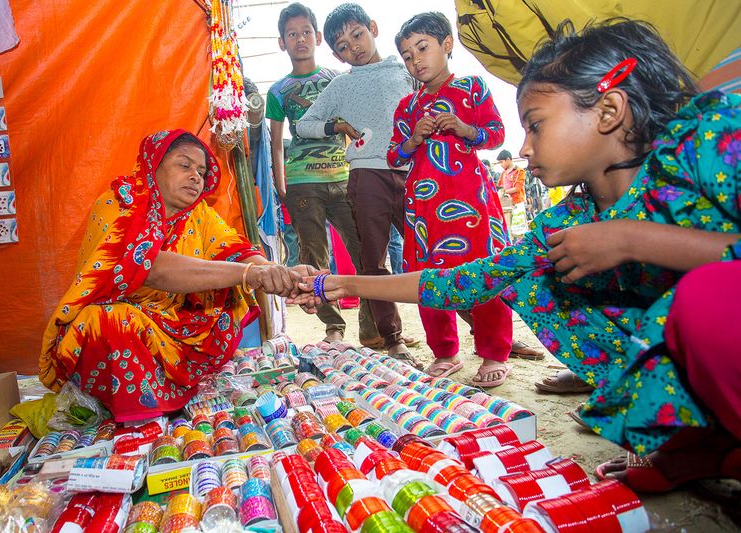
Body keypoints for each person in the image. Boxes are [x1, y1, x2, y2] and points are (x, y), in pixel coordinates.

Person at [293, 19, 741, 492]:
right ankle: (699, 439)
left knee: (704, 298)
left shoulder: (705, 146)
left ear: (608, 110)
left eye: (536, 125)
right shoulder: (567, 221)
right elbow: (460, 281)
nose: (523, 146)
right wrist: (341, 283)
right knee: (534, 277)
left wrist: (633, 240)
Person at [39, 130, 309, 421]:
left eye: (201, 171)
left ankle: (176, 391)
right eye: (184, 165)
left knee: (230, 292)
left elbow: (237, 250)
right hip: (121, 323)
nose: (195, 176)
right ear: (154, 166)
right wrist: (251, 273)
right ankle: (139, 415)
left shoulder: (199, 213)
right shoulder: (119, 203)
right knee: (111, 321)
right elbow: (150, 269)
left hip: (172, 324)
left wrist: (281, 275)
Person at [385, 11, 518, 387]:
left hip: (473, 203)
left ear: (447, 44)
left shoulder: (473, 88)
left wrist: (465, 128)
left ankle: (495, 353)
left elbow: (495, 134)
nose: (416, 60)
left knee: (486, 273)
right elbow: (394, 156)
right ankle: (445, 351)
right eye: (408, 56)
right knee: (426, 278)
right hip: (423, 210)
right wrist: (413, 140)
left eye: (422, 48)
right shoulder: (406, 108)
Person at [295, 3, 419, 365]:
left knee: (430, 255)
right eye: (343, 46)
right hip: (366, 177)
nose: (354, 48)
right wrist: (336, 127)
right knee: (372, 262)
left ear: (373, 28)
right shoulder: (341, 85)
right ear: (335, 53)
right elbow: (304, 124)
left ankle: (475, 329)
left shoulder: (405, 69)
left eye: (357, 35)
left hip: (414, 173)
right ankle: (392, 338)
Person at [266, 2, 379, 347]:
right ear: (282, 42)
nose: (300, 39)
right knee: (314, 259)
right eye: (291, 34)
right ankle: (333, 327)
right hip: (302, 183)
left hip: (343, 177)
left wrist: (357, 168)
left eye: (305, 33)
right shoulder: (278, 91)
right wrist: (281, 185)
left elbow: (353, 129)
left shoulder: (335, 78)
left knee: (364, 252)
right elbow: (276, 141)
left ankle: (373, 328)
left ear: (316, 37)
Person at [496, 149, 530, 239]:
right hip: (506, 205)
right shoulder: (503, 173)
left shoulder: (519, 171)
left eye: (501, 162)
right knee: (508, 230)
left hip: (517, 203)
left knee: (519, 231)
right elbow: (499, 186)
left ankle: (522, 248)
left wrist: (503, 192)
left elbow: (518, 188)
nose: (501, 165)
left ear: (508, 159)